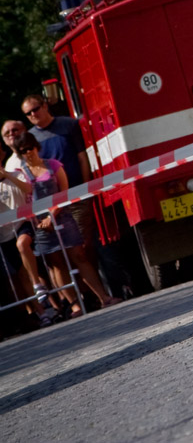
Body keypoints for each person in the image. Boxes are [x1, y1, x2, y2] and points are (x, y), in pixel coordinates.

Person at [12, 134, 120, 317]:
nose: (28, 153)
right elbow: (24, 198)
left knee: (79, 255)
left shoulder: (53, 165)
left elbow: (64, 192)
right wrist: (39, 220)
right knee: (57, 264)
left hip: (62, 216)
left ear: (36, 146)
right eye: (23, 151)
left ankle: (104, 297)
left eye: (30, 147)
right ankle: (75, 305)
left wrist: (53, 214)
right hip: (40, 224)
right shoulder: (20, 174)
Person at [0, 159, 53, 326]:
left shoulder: (16, 174)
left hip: (23, 225)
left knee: (22, 244)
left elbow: (28, 189)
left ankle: (37, 283)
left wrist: (7, 175)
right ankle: (42, 312)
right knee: (21, 275)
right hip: (4, 235)